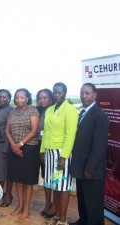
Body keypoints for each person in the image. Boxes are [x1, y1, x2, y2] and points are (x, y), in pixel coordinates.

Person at [69, 83, 109, 225]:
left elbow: (99, 146)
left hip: (91, 169)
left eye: (87, 93)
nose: (84, 96)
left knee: (93, 203)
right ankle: (83, 221)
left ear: (94, 95)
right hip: (81, 166)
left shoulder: (99, 116)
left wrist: (90, 168)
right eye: (82, 93)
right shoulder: (83, 113)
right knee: (83, 199)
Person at [40, 82, 78, 225]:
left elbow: (70, 135)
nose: (57, 94)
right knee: (54, 185)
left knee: (63, 187)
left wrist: (64, 157)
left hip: (61, 154)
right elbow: (46, 133)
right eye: (55, 92)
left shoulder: (70, 110)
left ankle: (63, 220)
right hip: (49, 153)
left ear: (65, 93)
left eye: (60, 92)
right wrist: (42, 150)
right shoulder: (49, 109)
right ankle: (56, 215)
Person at [6, 88, 40, 220]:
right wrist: (13, 146)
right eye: (17, 97)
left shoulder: (32, 110)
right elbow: (7, 131)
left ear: (27, 98)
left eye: (22, 97)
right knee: (17, 179)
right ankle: (20, 205)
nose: (19, 99)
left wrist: (19, 145)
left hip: (29, 149)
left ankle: (27, 208)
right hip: (14, 148)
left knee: (27, 181)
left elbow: (34, 131)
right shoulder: (12, 112)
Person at [36, 89, 56, 218]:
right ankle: (48, 203)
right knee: (46, 177)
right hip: (41, 147)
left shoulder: (55, 111)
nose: (42, 100)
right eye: (40, 98)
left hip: (53, 148)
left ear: (51, 98)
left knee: (54, 178)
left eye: (45, 97)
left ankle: (55, 205)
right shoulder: (38, 110)